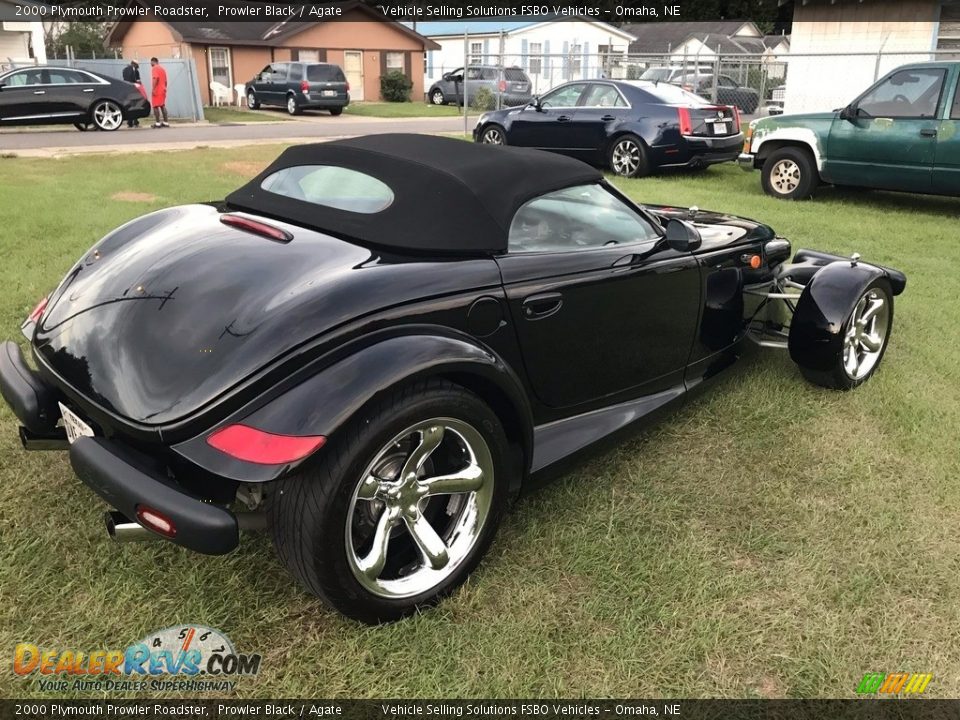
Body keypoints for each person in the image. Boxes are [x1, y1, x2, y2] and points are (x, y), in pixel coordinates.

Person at [121, 60, 141, 127]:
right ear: (134, 64)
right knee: (135, 106)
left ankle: (130, 123)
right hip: (134, 90)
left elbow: (124, 79)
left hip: (126, 90)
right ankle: (135, 122)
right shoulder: (135, 71)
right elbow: (138, 81)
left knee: (129, 106)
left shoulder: (124, 70)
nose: (138, 67)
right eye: (137, 65)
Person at [150, 57, 169, 128]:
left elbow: (155, 78)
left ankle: (157, 123)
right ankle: (166, 122)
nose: (150, 64)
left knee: (155, 106)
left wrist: (153, 89)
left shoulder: (155, 68)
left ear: (153, 61)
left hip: (157, 90)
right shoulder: (162, 69)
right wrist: (164, 88)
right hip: (163, 89)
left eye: (151, 62)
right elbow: (166, 81)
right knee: (162, 105)